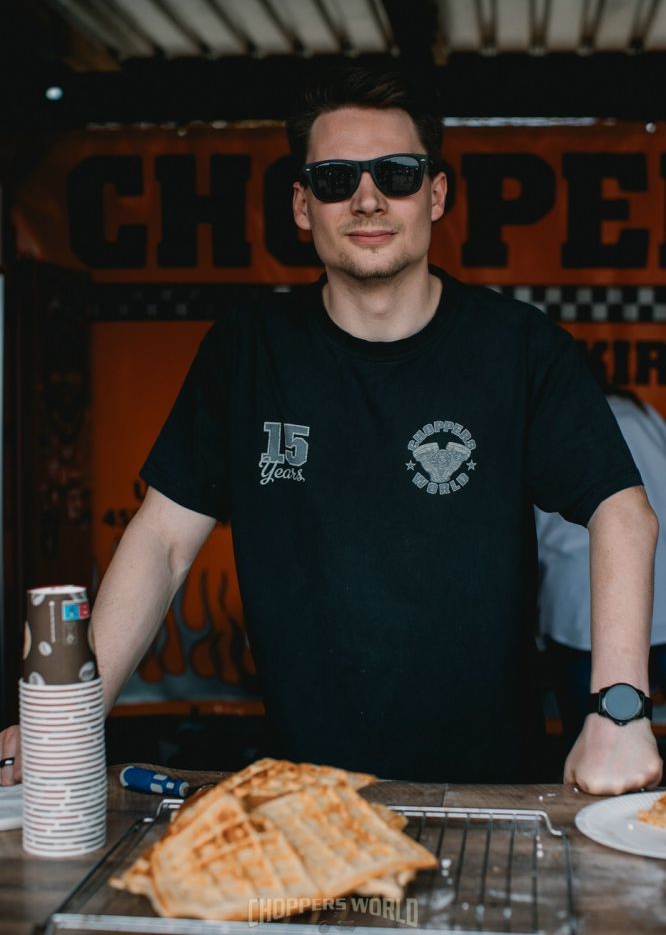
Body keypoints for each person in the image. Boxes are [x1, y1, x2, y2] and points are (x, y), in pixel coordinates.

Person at [0, 64, 662, 792]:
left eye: (398, 174)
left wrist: (619, 710)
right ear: (301, 204)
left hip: (489, 791)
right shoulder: (247, 350)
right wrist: (69, 719)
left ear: (436, 194)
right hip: (305, 792)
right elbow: (161, 540)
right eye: (336, 178)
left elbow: (621, 509)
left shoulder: (522, 348)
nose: (368, 198)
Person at [537, 386, 666, 753]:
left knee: (591, 743)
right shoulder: (639, 414)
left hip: (579, 606)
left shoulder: (551, 418)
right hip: (657, 594)